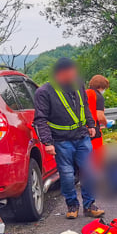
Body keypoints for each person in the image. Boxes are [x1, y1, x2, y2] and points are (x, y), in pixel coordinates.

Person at [34, 58, 105, 219]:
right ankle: (72, 205)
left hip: (82, 136)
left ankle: (89, 205)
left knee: (89, 171)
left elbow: (84, 105)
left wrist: (91, 124)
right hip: (61, 141)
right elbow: (40, 119)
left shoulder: (77, 84)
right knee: (66, 175)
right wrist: (47, 142)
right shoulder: (44, 92)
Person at [86, 75, 109, 154]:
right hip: (94, 130)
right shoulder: (98, 96)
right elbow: (100, 116)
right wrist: (106, 124)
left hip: (82, 129)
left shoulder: (84, 93)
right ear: (101, 86)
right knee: (97, 156)